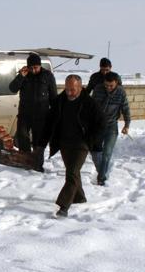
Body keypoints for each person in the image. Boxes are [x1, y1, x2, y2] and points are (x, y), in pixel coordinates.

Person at [39, 74, 104, 218]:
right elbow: (49, 123)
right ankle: (79, 197)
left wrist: (91, 140)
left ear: (80, 87)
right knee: (73, 172)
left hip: (81, 144)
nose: (69, 93)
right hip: (64, 143)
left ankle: (64, 205)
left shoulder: (89, 102)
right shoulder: (60, 101)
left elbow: (101, 124)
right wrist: (42, 144)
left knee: (72, 172)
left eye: (73, 90)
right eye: (67, 89)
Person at [8, 53, 57, 172]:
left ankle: (37, 164)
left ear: (40, 66)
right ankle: (26, 162)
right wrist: (20, 76)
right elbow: (12, 88)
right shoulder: (24, 75)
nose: (34, 70)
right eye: (31, 68)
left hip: (41, 115)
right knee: (23, 137)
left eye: (36, 67)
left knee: (38, 141)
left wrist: (54, 114)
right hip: (25, 114)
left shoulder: (47, 76)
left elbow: (53, 96)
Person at [91, 71, 131, 186]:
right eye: (106, 85)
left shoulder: (121, 92)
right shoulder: (98, 89)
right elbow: (91, 106)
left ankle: (101, 178)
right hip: (97, 125)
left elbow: (126, 109)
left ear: (116, 83)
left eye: (111, 86)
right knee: (95, 151)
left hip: (111, 125)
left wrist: (127, 125)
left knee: (107, 152)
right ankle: (101, 171)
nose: (108, 88)